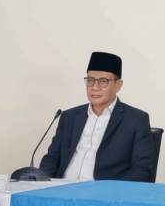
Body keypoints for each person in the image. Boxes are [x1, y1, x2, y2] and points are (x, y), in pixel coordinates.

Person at [40, 51, 154, 182]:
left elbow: (142, 170)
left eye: (103, 81)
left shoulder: (136, 120)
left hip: (104, 191)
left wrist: (110, 191)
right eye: (90, 80)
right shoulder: (69, 117)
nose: (94, 87)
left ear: (118, 85)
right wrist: (44, 184)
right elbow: (51, 159)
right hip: (61, 188)